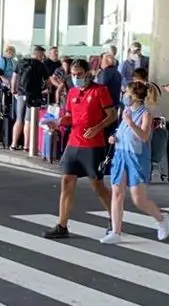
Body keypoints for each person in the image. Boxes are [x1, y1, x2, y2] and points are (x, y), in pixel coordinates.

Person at [44, 59, 117, 239]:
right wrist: (58, 122)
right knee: (67, 181)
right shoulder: (72, 92)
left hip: (93, 145)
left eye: (79, 74)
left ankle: (114, 218)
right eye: (73, 75)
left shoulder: (100, 91)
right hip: (73, 142)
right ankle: (62, 225)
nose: (76, 78)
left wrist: (98, 127)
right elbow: (69, 116)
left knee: (97, 185)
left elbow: (112, 114)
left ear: (87, 73)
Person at [101, 81, 169, 244]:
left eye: (126, 93)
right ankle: (116, 231)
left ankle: (161, 218)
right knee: (117, 192)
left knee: (138, 199)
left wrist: (131, 123)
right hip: (120, 154)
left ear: (134, 97)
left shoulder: (145, 114)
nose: (124, 95)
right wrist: (114, 137)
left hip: (137, 158)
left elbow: (144, 136)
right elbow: (123, 131)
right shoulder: (125, 111)